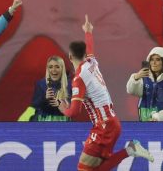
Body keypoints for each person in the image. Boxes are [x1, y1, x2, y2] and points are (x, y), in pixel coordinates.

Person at [57, 15, 153, 170]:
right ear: (83, 55)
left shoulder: (79, 78)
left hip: (104, 126)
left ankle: (130, 150)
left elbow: (74, 111)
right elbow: (90, 50)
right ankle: (130, 150)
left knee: (84, 169)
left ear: (69, 56)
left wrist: (64, 110)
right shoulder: (91, 62)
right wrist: (88, 32)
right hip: (111, 123)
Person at [126, 47, 163, 122]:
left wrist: (158, 117)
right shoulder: (144, 78)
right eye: (152, 59)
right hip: (145, 123)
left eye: (158, 60)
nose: (154, 62)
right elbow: (131, 91)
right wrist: (135, 78)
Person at [19, 56, 72, 121]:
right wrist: (44, 98)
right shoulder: (41, 84)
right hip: (43, 120)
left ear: (62, 68)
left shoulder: (70, 84)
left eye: (57, 67)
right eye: (50, 67)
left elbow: (73, 107)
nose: (53, 70)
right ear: (47, 69)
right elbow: (35, 105)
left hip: (63, 121)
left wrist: (60, 103)